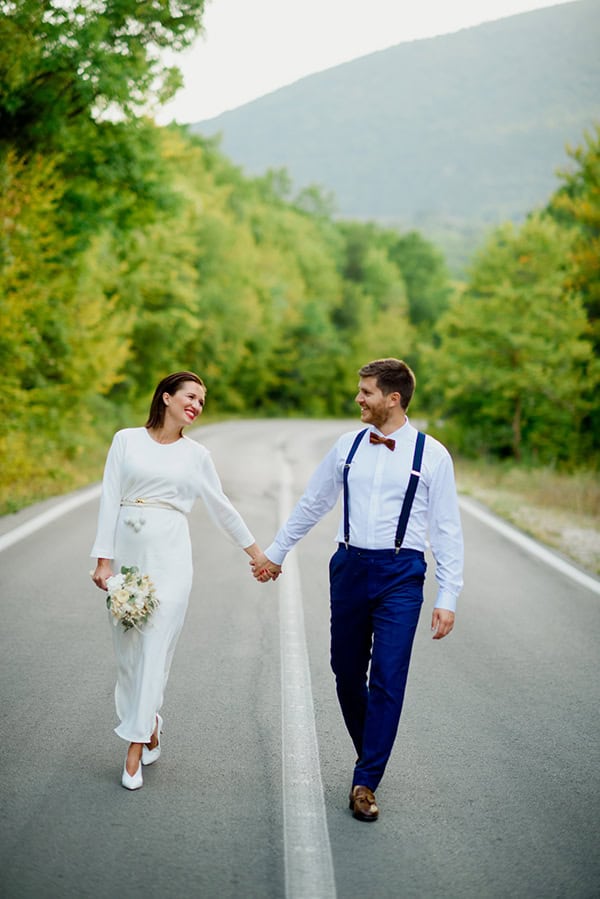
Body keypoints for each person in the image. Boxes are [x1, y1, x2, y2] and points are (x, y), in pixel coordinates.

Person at [251, 358, 463, 822]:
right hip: (348, 566)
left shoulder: (432, 456)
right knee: (346, 673)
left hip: (401, 573)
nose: (358, 399)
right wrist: (275, 552)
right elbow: (313, 503)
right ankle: (372, 750)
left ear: (393, 398)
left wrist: (448, 596)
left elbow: (446, 530)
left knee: (387, 676)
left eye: (366, 392)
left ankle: (365, 780)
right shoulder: (347, 445)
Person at [91, 371, 263, 790]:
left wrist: (258, 554)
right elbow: (109, 497)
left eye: (202, 401)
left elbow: (222, 508)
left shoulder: (196, 455)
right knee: (129, 653)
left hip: (171, 558)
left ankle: (133, 749)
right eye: (191, 396)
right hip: (129, 559)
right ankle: (148, 721)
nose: (197, 405)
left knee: (153, 646)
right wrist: (102, 561)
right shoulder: (126, 440)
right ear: (166, 397)